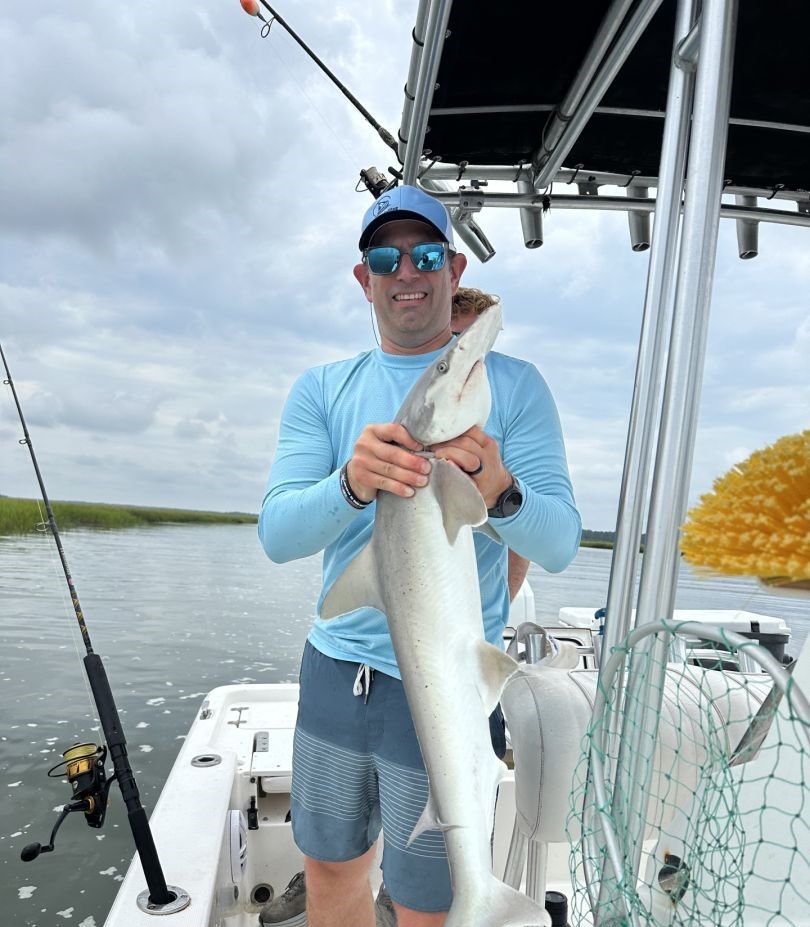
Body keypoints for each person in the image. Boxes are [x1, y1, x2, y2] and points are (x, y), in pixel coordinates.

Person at [258, 185, 581, 927]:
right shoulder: (322, 390)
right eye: (386, 256)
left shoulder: (515, 387)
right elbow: (278, 535)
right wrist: (351, 483)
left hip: (444, 685)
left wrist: (500, 490)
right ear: (363, 277)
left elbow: (560, 541)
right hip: (337, 669)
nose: (407, 270)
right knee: (331, 864)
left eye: (427, 254)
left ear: (454, 267)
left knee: (425, 902)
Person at [451, 286, 531, 603]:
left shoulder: (511, 409)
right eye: (457, 338)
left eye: (479, 340)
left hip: (475, 614)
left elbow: (521, 536)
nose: (469, 351)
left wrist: (501, 608)